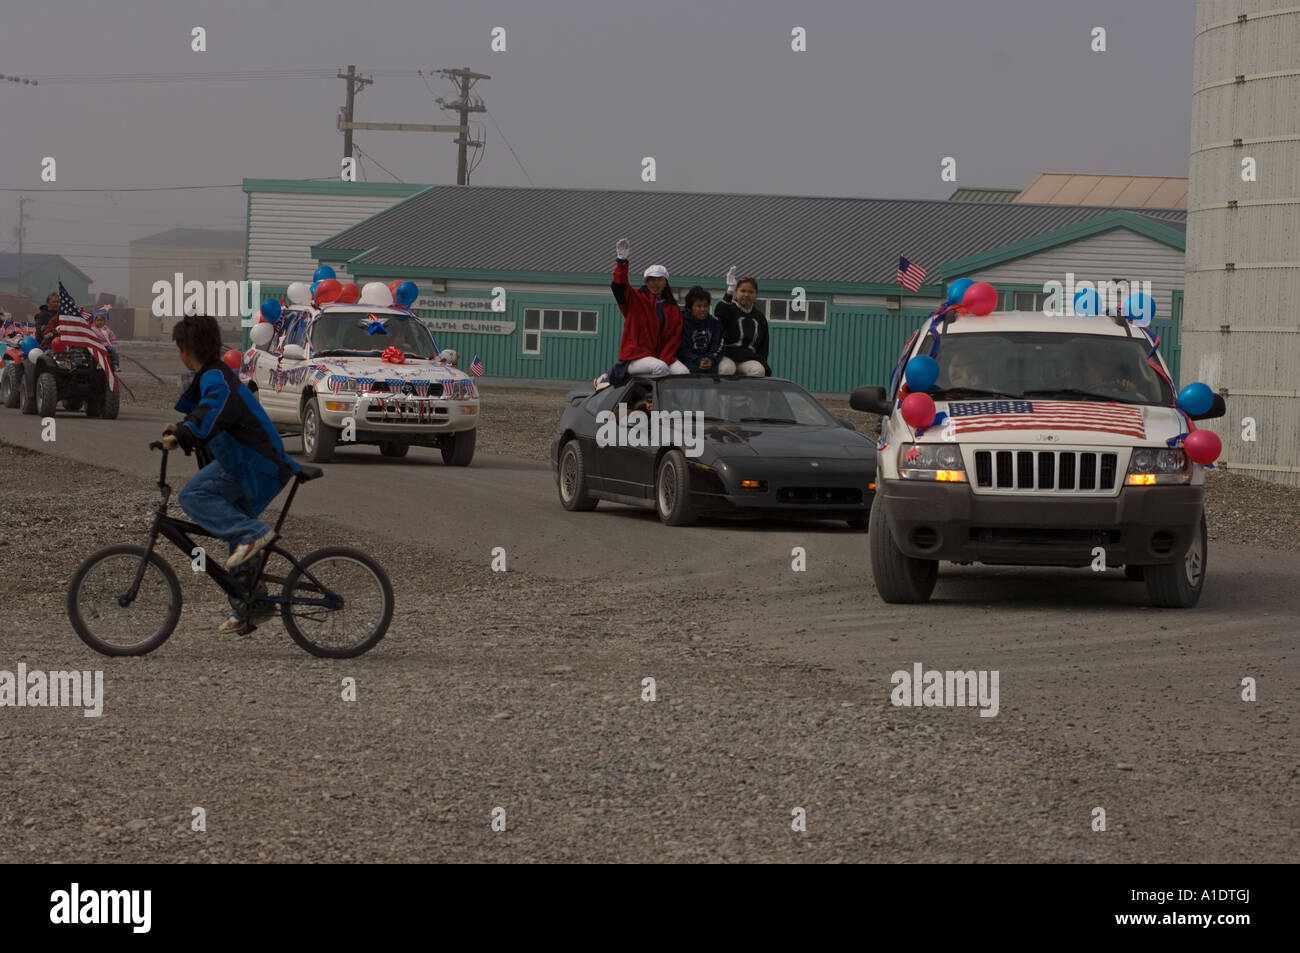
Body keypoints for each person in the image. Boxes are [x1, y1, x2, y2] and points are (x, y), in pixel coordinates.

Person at [162, 314, 301, 634]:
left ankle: (254, 535)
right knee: (233, 532)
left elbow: (214, 408)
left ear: (186, 349)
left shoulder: (215, 378)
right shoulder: (214, 374)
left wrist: (185, 434)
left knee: (193, 495)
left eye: (178, 348)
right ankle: (251, 605)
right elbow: (207, 414)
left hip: (255, 463)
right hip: (251, 463)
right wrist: (181, 429)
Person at [610, 238, 687, 379]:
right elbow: (619, 286)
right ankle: (651, 400)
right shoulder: (635, 299)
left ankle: (674, 402)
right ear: (646, 282)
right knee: (660, 368)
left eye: (659, 279)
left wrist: (664, 357)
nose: (655, 283)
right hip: (634, 357)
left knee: (683, 373)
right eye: (651, 279)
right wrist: (621, 262)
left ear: (665, 282)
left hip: (660, 356)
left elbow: (674, 338)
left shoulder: (672, 308)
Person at [715, 267, 770, 376]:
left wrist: (762, 361)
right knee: (726, 369)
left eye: (751, 292)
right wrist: (730, 289)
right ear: (736, 292)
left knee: (759, 370)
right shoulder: (729, 308)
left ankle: (749, 394)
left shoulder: (759, 317)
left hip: (747, 359)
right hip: (727, 356)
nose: (746, 295)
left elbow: (764, 346)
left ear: (756, 295)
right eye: (742, 291)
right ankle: (722, 393)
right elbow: (720, 313)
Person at [677, 286, 724, 374]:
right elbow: (681, 349)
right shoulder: (680, 322)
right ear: (690, 307)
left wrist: (710, 359)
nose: (703, 309)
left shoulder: (715, 324)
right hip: (687, 362)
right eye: (699, 306)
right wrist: (697, 360)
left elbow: (718, 345)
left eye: (706, 306)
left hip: (710, 362)